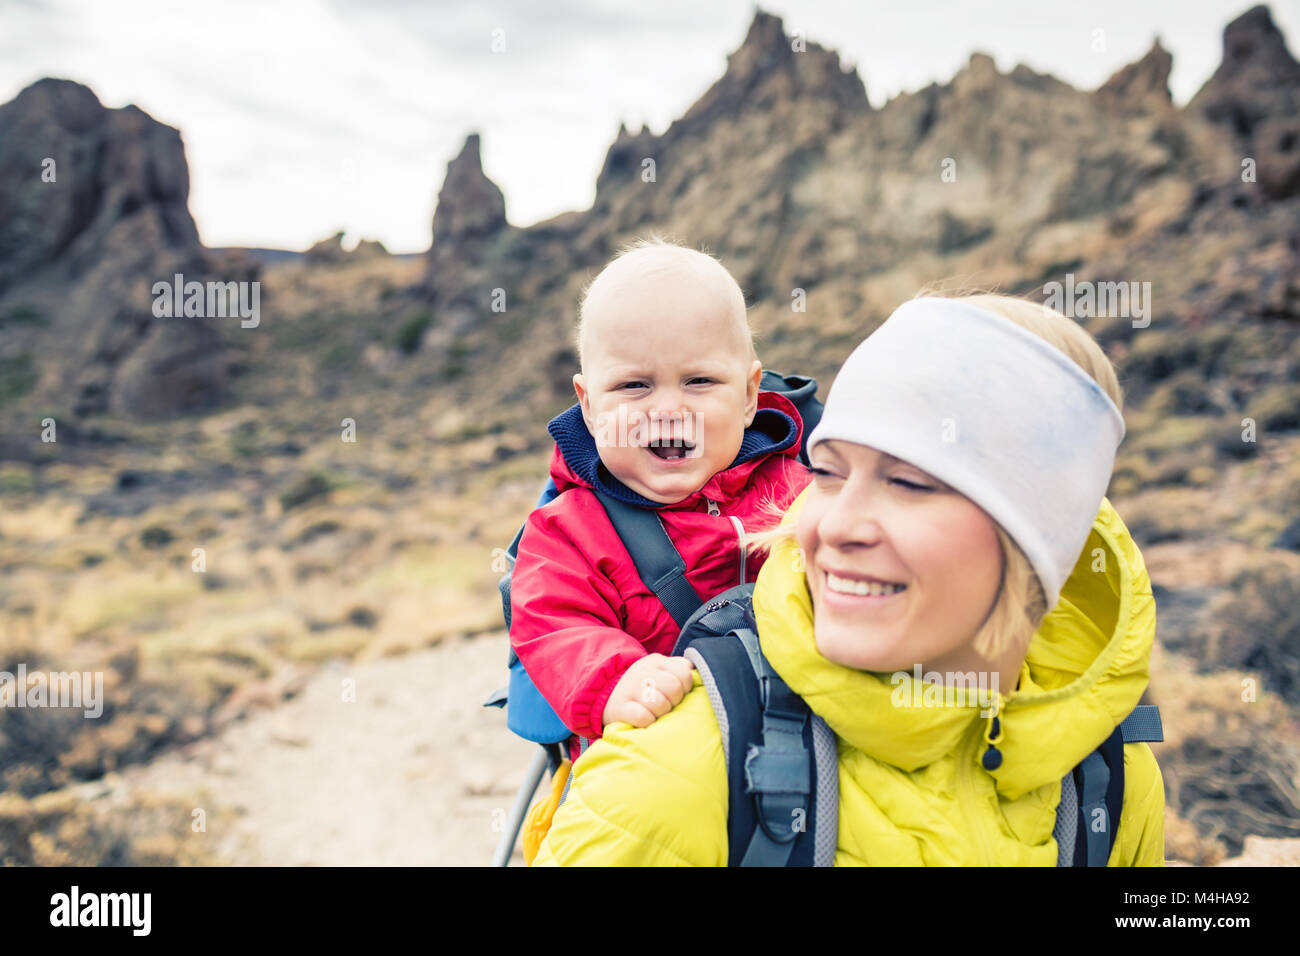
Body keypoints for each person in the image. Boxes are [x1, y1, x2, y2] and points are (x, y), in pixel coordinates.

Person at [533, 292, 1165, 866]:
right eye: (830, 474)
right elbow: (551, 618)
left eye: (909, 483)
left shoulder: (1111, 776)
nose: (832, 527)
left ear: (1042, 539)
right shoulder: (668, 783)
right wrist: (612, 680)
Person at [509, 237, 812, 750]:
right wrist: (616, 678)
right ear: (588, 405)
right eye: (634, 386)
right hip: (662, 745)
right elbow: (554, 623)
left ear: (746, 396)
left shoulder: (798, 493)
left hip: (802, 739)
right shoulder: (569, 532)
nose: (669, 408)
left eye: (698, 380)